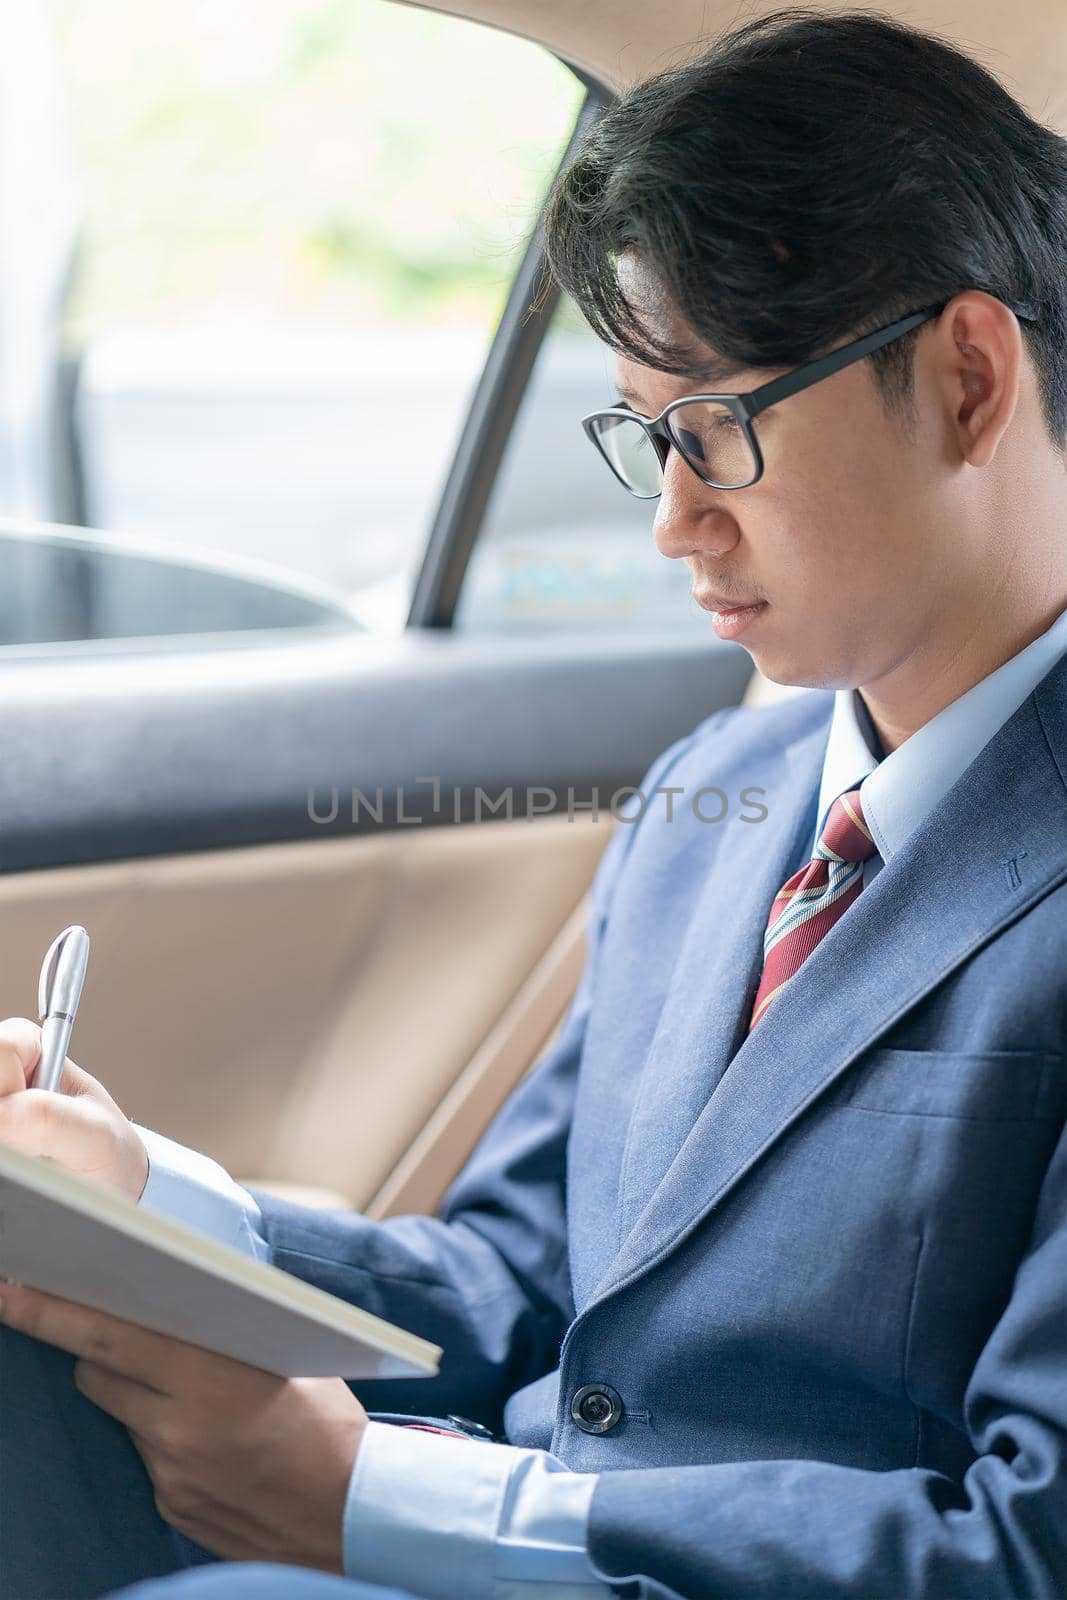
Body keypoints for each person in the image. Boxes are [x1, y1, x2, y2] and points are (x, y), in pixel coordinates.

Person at [3, 7, 1067, 1597]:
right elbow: (531, 1285)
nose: (675, 523)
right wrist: (151, 1202)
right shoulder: (720, 793)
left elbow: (1025, 1546)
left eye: (720, 429)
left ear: (968, 378)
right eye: (650, 440)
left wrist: (374, 1507)